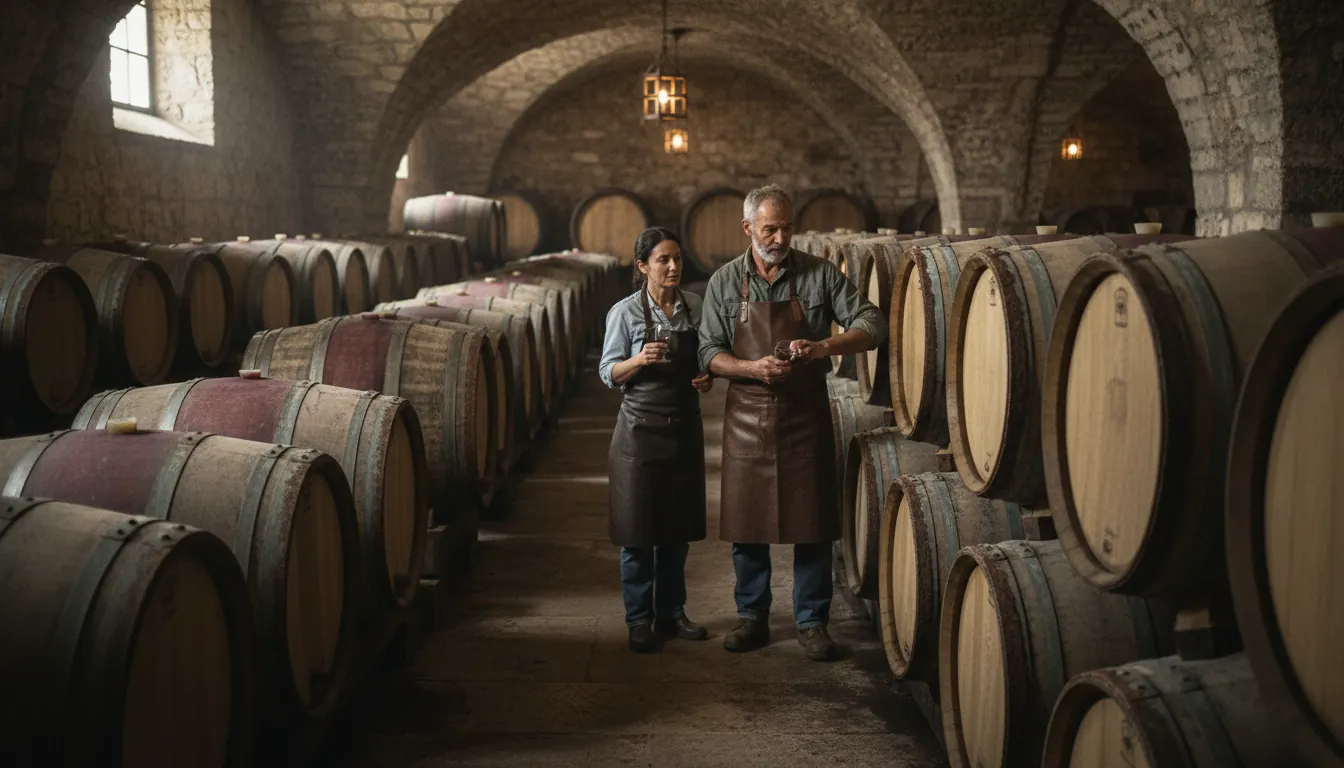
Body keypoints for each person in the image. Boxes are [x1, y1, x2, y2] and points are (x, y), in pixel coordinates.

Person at [697, 184, 886, 661]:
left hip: (805, 413)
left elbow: (873, 322)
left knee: (812, 525)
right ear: (748, 228)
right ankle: (752, 617)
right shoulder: (724, 282)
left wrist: (823, 347)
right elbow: (708, 353)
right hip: (746, 417)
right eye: (769, 229)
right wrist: (751, 368)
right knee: (747, 525)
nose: (780, 237)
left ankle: (812, 622)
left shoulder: (820, 275)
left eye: (785, 227)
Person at [599, 226, 715, 653]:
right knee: (637, 534)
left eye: (677, 259)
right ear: (642, 266)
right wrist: (637, 359)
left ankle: (672, 613)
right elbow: (607, 372)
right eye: (663, 260)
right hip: (638, 435)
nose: (672, 267)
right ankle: (638, 619)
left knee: (675, 532)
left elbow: (704, 359)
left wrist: (706, 378)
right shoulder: (625, 313)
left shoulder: (695, 306)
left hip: (683, 429)